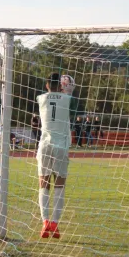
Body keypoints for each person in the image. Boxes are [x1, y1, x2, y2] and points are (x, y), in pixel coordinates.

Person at [36, 72, 74, 239]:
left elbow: (55, 96)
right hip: (61, 146)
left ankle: (45, 222)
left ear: (46, 85)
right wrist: (68, 88)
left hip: (44, 145)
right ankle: (55, 224)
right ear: (60, 86)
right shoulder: (67, 99)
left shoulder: (41, 99)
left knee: (43, 185)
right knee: (59, 186)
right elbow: (67, 100)